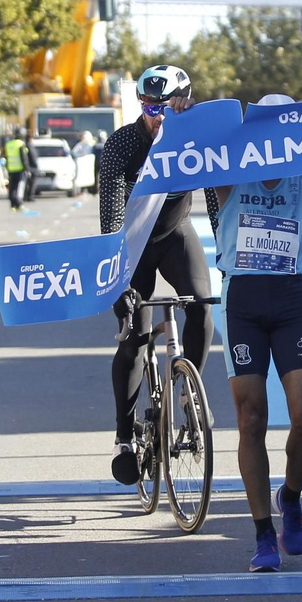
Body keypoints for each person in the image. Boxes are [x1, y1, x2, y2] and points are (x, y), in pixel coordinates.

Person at [172, 90, 302, 572]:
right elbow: (180, 157)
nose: (276, 132)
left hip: (291, 301)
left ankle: (290, 495)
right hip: (243, 303)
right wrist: (184, 118)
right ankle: (263, 532)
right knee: (251, 418)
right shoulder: (229, 169)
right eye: (267, 123)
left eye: (284, 124)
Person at [100, 65, 219, 485]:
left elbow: (215, 195)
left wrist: (226, 253)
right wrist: (120, 282)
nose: (157, 117)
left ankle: (189, 397)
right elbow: (112, 219)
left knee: (203, 310)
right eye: (150, 108)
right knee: (134, 333)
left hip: (175, 235)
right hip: (133, 245)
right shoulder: (122, 145)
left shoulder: (193, 136)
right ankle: (123, 436)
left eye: (167, 108)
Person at [4, 131, 30, 210]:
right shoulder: (20, 144)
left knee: (12, 188)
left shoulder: (8, 144)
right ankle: (19, 204)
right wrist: (27, 169)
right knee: (20, 187)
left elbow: (6, 157)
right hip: (20, 169)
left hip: (11, 169)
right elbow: (24, 158)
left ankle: (12, 205)